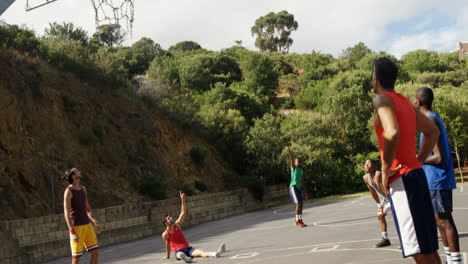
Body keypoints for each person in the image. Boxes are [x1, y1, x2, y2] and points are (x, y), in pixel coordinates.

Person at [371, 57, 441, 263]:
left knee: (419, 252)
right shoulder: (405, 102)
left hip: (403, 180)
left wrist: (385, 169)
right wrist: (418, 159)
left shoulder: (381, 100)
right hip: (416, 175)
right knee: (427, 249)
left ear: (376, 80)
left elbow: (392, 133)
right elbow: (432, 131)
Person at [414, 87, 462, 264]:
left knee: (445, 219)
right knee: (438, 220)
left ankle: (456, 261)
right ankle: (450, 258)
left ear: (418, 101)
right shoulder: (429, 120)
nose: (413, 102)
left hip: (439, 178)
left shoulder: (431, 121)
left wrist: (418, 159)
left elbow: (439, 157)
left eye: (414, 99)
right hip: (433, 179)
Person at [162, 191, 225, 263]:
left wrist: (182, 199)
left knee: (201, 252)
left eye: (170, 217)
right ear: (166, 223)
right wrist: (167, 256)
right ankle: (186, 258)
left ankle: (214, 254)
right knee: (180, 254)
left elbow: (183, 212)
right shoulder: (165, 234)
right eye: (168, 219)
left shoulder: (177, 225)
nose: (171, 218)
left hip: (188, 249)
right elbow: (167, 245)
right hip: (178, 251)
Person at [63, 168, 102, 264]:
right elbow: (66, 214)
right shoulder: (68, 192)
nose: (80, 171)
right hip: (76, 228)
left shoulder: (83, 189)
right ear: (73, 176)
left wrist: (95, 221)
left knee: (95, 252)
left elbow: (87, 208)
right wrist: (72, 232)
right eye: (77, 171)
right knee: (76, 259)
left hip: (87, 226)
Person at [363, 159, 393, 248]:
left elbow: (385, 189)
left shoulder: (378, 175)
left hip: (391, 197)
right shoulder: (365, 178)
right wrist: (379, 206)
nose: (367, 165)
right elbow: (373, 192)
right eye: (365, 164)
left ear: (375, 166)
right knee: (380, 215)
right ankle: (385, 239)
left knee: (399, 217)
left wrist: (393, 202)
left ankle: (405, 239)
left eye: (369, 163)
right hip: (386, 199)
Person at [286, 146, 307, 227]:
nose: (297, 162)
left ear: (300, 163)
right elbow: (291, 158)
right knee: (298, 203)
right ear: (294, 163)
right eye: (296, 161)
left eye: (298, 161)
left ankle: (300, 219)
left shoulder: (301, 171)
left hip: (298, 188)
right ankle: (297, 220)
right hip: (293, 187)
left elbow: (302, 182)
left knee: (301, 204)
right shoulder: (293, 168)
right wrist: (289, 151)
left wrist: (305, 192)